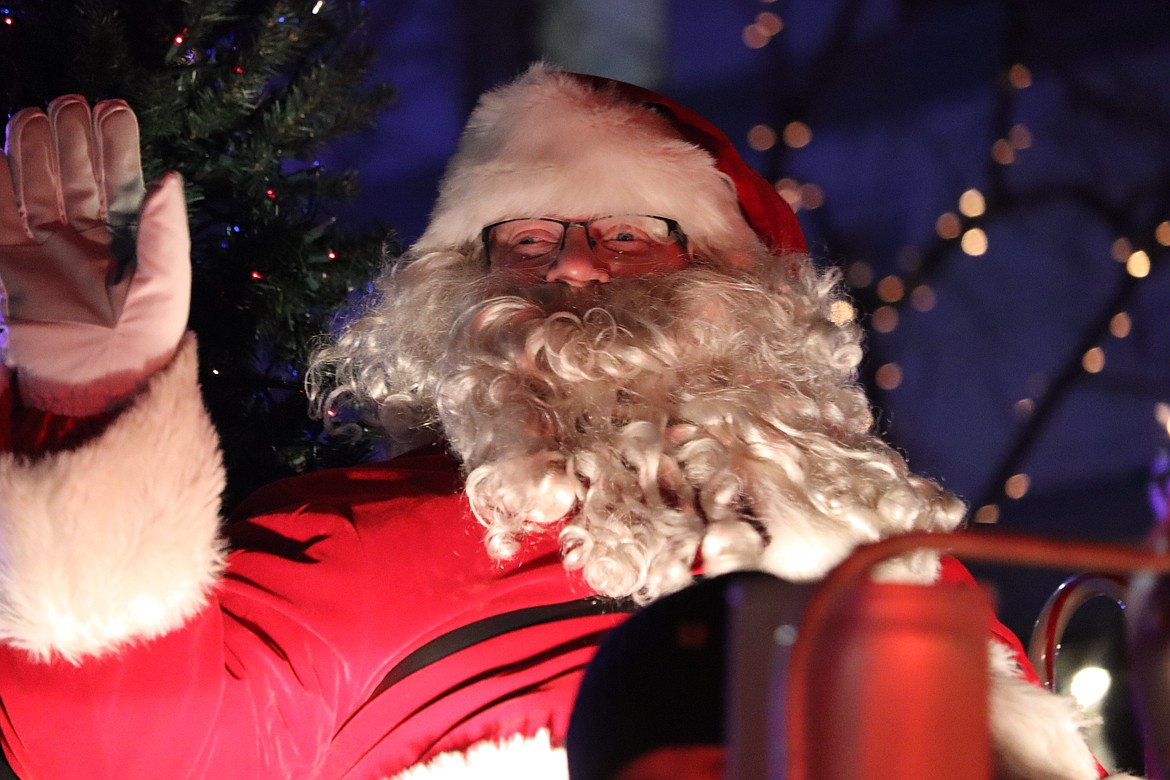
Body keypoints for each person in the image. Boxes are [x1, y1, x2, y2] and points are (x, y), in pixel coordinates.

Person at [0, 64, 1132, 778]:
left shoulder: (894, 577)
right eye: (526, 242)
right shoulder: (366, 547)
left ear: (739, 285)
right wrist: (89, 407)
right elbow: (126, 749)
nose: (576, 268)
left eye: (630, 234)